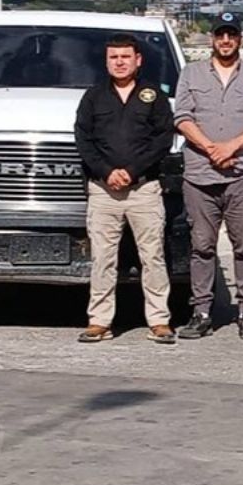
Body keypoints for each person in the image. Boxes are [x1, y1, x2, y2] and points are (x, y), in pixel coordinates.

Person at [173, 12, 243, 341]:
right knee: (201, 246)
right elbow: (182, 117)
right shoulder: (191, 73)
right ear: (213, 39)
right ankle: (201, 311)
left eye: (231, 34)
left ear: (240, 39)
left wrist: (231, 146)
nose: (226, 40)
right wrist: (209, 147)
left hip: (242, 173)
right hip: (200, 175)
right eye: (220, 35)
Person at [73, 34, 175, 344]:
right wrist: (107, 172)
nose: (119, 62)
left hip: (144, 189)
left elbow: (162, 140)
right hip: (104, 191)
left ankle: (159, 321)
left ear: (138, 60)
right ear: (106, 61)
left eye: (125, 57)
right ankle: (99, 321)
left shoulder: (153, 95)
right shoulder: (93, 97)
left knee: (153, 256)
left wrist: (131, 172)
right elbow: (83, 140)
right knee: (103, 258)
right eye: (113, 57)